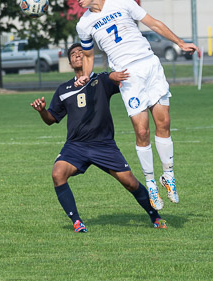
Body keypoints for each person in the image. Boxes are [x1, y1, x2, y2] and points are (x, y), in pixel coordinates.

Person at [67, 0, 199, 210]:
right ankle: (150, 182)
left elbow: (154, 23)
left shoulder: (123, 2)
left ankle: (168, 176)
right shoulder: (83, 24)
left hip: (150, 65)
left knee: (164, 123)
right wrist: (86, 75)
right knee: (142, 130)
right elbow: (88, 55)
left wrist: (180, 42)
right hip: (128, 76)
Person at [31, 44, 167, 233]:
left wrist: (125, 74)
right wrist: (42, 111)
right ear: (70, 62)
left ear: (88, 58)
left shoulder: (101, 80)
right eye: (73, 54)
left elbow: (123, 81)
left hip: (104, 145)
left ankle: (155, 216)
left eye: (82, 52)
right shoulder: (63, 89)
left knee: (131, 183)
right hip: (76, 146)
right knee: (57, 174)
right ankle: (77, 222)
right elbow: (51, 120)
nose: (78, 55)